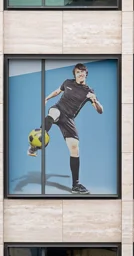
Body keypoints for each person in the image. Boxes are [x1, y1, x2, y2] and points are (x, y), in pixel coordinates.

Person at [29, 63, 107, 195]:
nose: (80, 74)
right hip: (59, 109)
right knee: (52, 114)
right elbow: (57, 91)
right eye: (78, 72)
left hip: (69, 119)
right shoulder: (67, 83)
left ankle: (75, 185)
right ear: (75, 74)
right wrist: (47, 98)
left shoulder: (89, 92)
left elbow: (100, 111)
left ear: (86, 74)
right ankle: (35, 146)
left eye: (82, 72)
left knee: (75, 148)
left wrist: (95, 101)